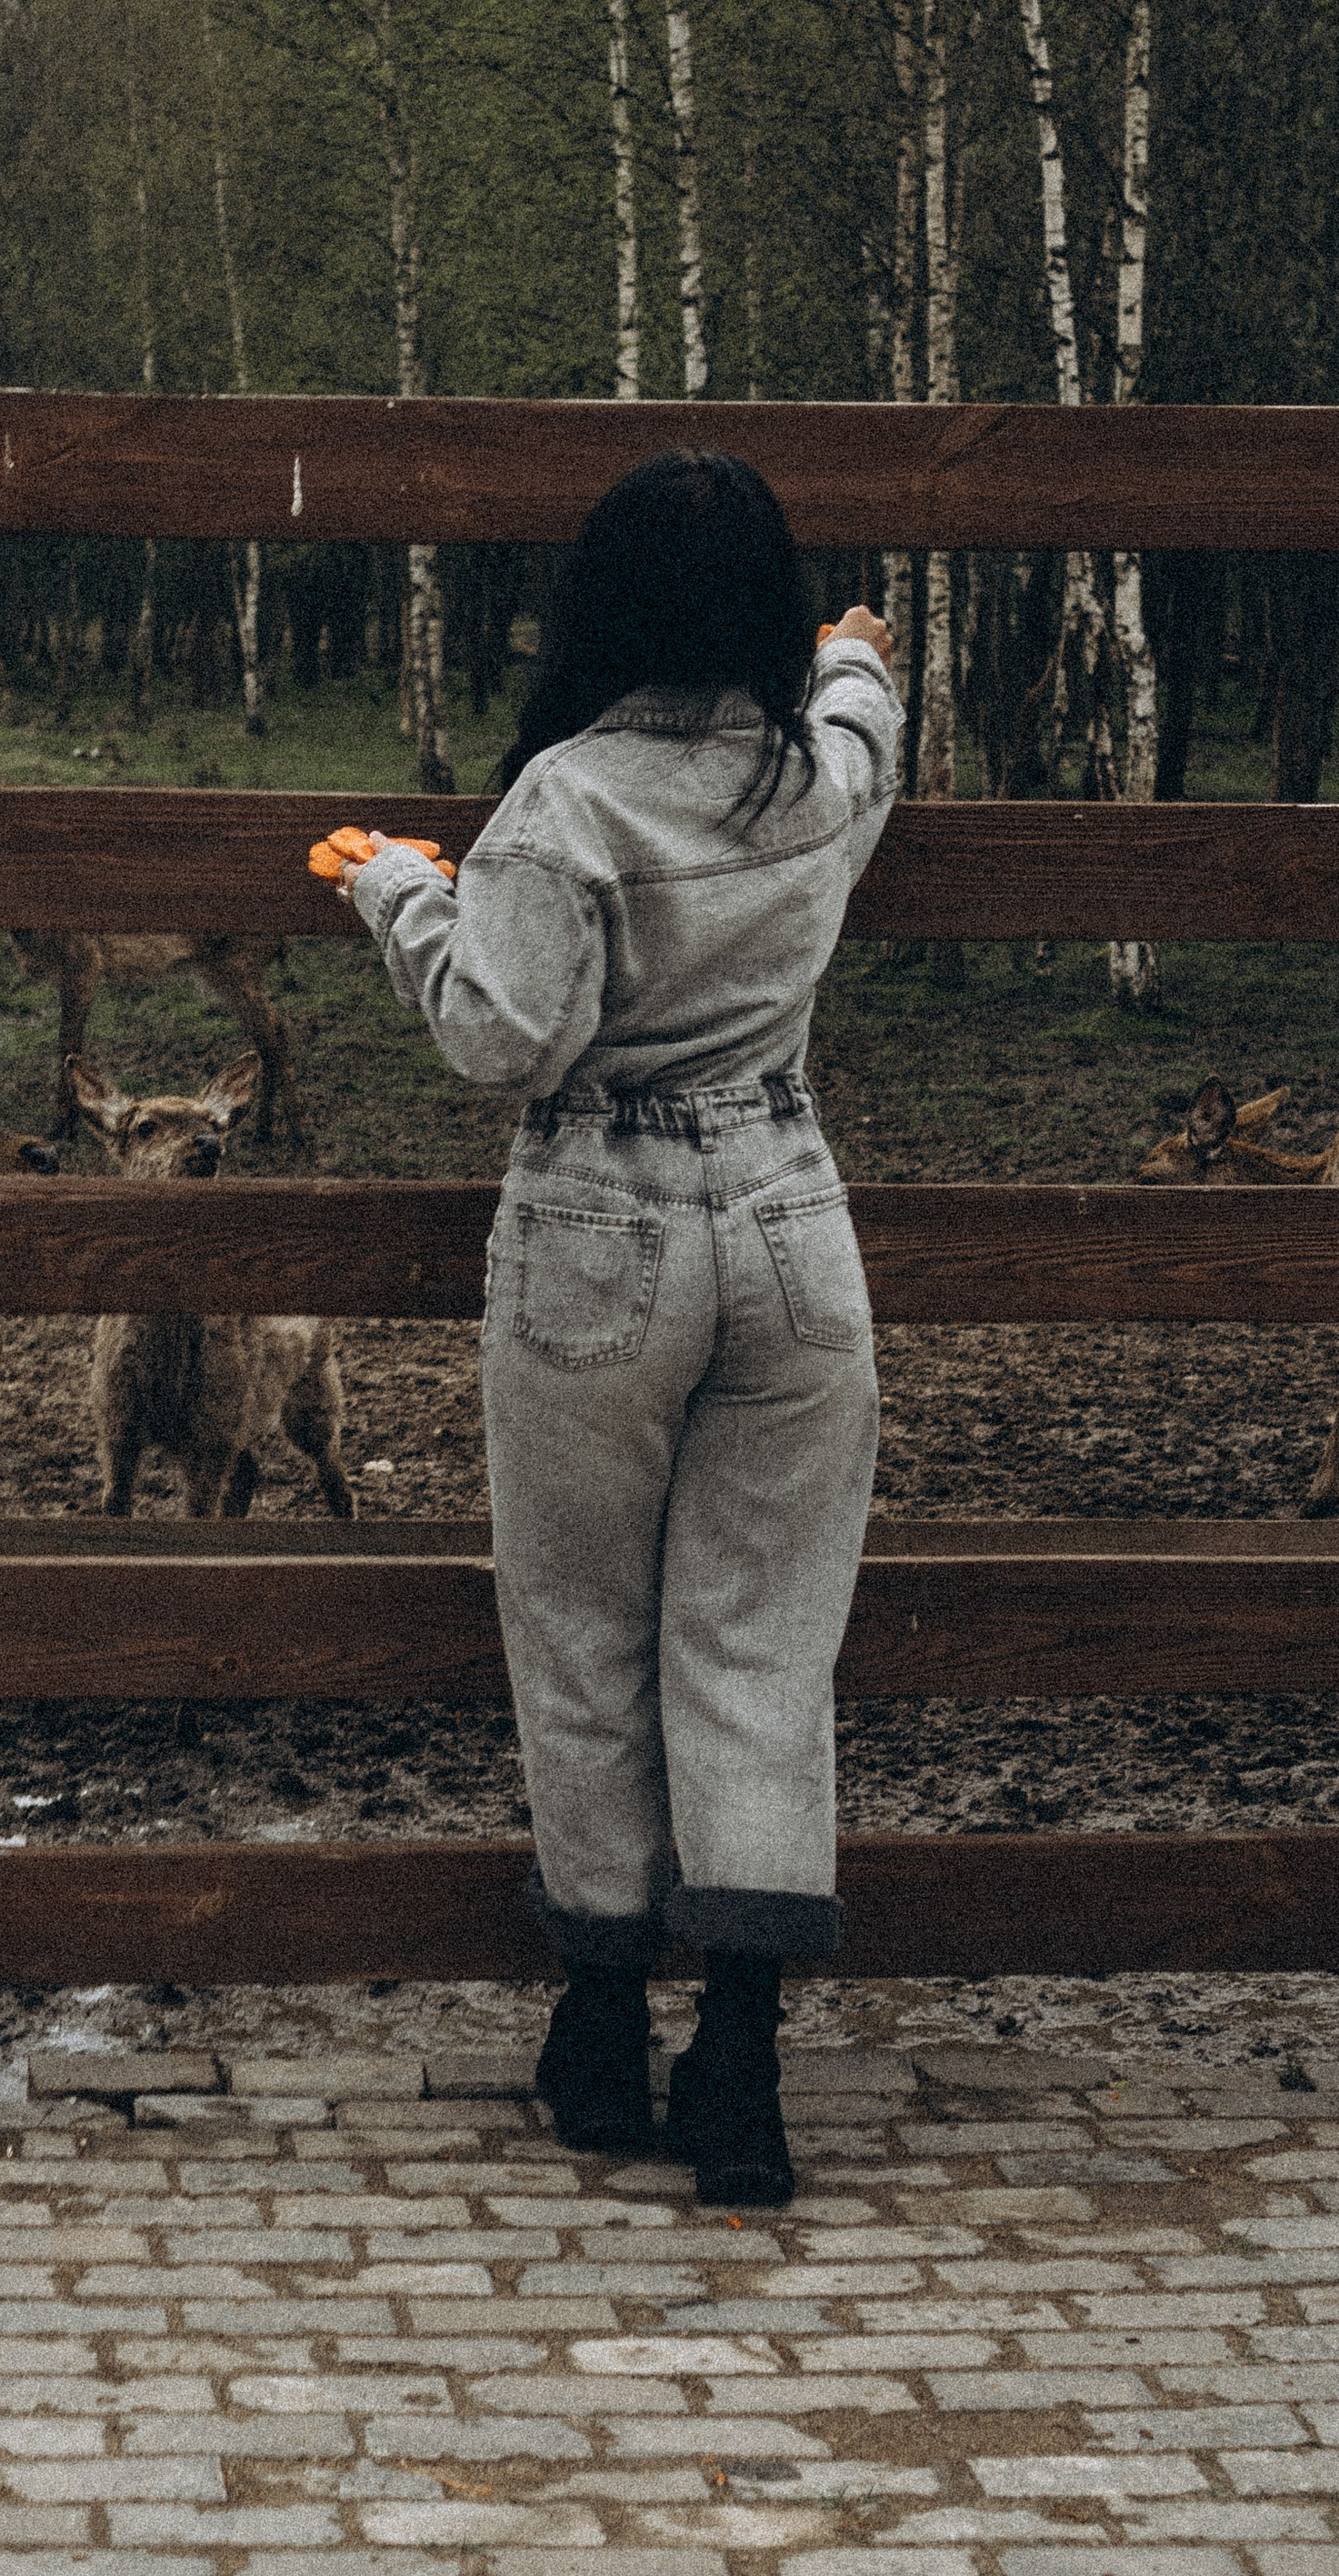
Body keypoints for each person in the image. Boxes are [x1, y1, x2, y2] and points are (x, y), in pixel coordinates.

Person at [328, 448, 902, 2205]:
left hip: (600, 1229)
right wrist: (858, 653)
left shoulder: (565, 806)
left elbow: (505, 1035)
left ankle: (598, 2025)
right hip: (792, 1219)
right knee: (758, 1639)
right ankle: (741, 2063)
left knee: (581, 1627)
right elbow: (873, 721)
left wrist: (398, 890)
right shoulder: (815, 782)